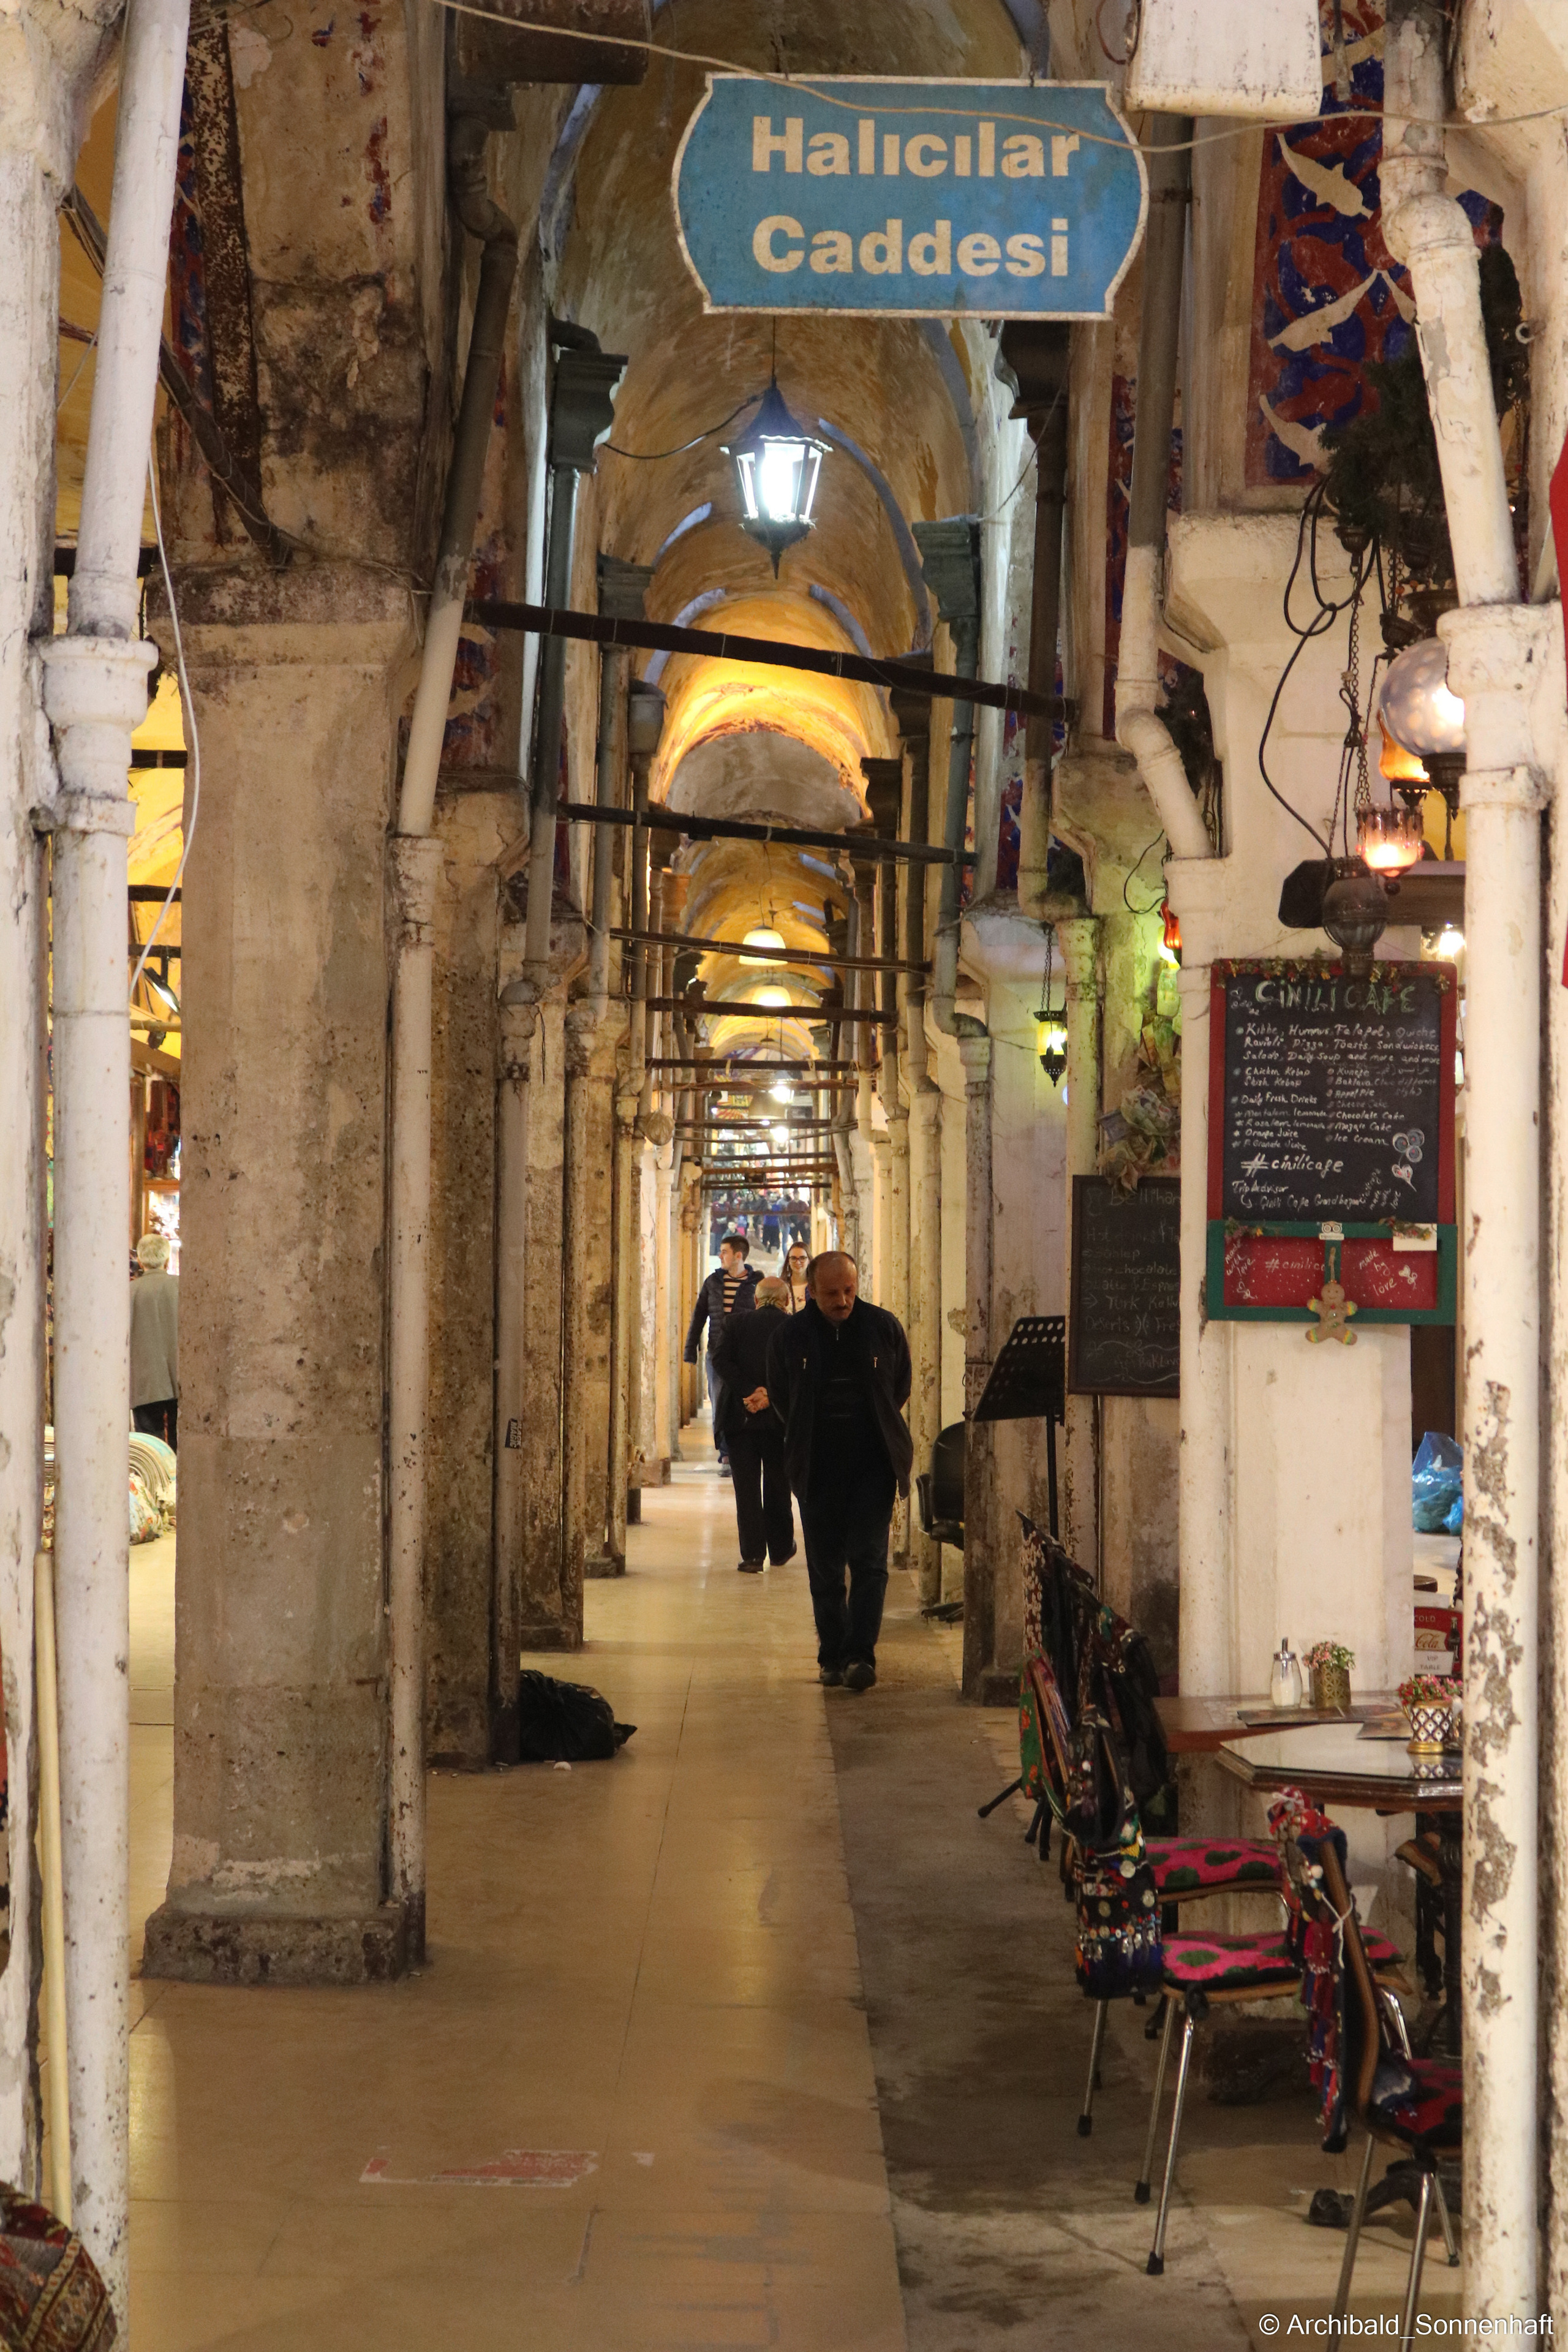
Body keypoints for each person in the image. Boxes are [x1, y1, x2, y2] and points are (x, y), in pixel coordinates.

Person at [766, 1250, 911, 1693]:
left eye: (849, 1290)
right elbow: (780, 1396)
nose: (843, 1300)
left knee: (869, 1563)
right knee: (825, 1567)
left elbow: (899, 1387)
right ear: (810, 1291)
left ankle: (860, 1656)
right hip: (817, 1467)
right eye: (832, 1293)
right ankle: (832, 1655)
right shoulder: (791, 1336)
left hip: (873, 1468)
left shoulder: (881, 1327)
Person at [712, 1276, 796, 1573]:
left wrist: (749, 1390)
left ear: (756, 1300)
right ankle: (781, 1549)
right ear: (787, 1301)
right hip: (779, 1420)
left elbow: (719, 1360)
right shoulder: (793, 1328)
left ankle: (752, 1556)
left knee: (746, 1489)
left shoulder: (735, 1324)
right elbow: (798, 1371)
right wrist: (770, 1395)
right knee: (778, 1484)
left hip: (740, 1418)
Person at [684, 1232, 758, 1474]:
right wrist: (690, 1349)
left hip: (746, 1354)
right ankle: (726, 1455)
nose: (720, 1256)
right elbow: (699, 1316)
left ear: (739, 1255)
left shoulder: (756, 1283)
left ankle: (743, 1451)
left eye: (724, 1252)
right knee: (718, 1402)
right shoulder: (713, 1282)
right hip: (717, 1353)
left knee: (744, 1401)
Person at [130, 1230, 179, 1450]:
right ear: (167, 1259)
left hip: (145, 1379)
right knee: (183, 1447)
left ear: (139, 1260)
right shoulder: (183, 1287)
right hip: (181, 1377)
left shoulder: (129, 1291)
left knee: (151, 1449)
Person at [782, 1241, 810, 1314]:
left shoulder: (816, 1287)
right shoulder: (781, 1287)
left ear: (809, 1260)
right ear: (788, 1261)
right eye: (794, 1258)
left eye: (802, 1258)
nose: (798, 1262)